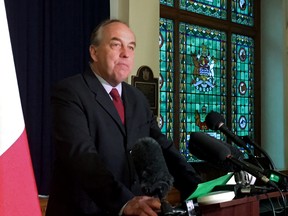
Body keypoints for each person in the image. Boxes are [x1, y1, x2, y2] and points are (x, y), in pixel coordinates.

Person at [46, 19, 202, 216]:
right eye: (116, 44)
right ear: (94, 52)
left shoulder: (136, 98)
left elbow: (162, 146)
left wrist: (198, 188)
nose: (126, 54)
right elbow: (82, 156)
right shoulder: (70, 92)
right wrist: (124, 202)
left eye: (131, 47)